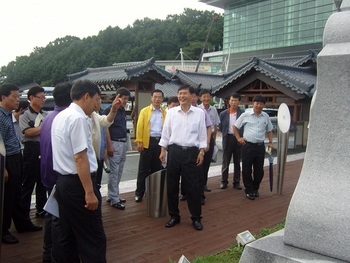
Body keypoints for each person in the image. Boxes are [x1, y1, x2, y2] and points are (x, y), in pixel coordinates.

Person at [51, 79, 107, 262]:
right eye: (96, 99)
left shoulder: (61, 115)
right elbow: (80, 157)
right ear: (86, 96)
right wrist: (89, 193)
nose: (96, 104)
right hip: (78, 185)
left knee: (67, 236)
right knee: (93, 238)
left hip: (63, 183)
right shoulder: (78, 119)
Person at [159, 84, 207, 231]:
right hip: (174, 152)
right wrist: (162, 151)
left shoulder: (199, 113)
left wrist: (202, 152)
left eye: (184, 93)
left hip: (192, 153)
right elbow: (165, 133)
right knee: (172, 186)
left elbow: (202, 135)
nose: (181, 96)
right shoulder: (171, 112)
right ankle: (174, 216)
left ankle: (196, 218)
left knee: (193, 187)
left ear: (192, 96)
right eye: (179, 93)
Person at [0, 84, 42, 245]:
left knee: (17, 193)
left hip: (17, 156)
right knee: (7, 197)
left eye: (19, 96)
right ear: (3, 97)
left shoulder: (9, 114)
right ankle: (3, 230)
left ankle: (22, 223)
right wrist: (3, 168)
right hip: (6, 159)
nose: (18, 100)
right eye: (15, 96)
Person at [40, 82, 73, 263]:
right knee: (59, 222)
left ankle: (48, 253)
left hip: (47, 174)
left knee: (51, 215)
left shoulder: (49, 117)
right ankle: (55, 257)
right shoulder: (65, 119)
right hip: (58, 178)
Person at [233, 95, 274, 200]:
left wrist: (270, 142)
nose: (258, 105)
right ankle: (249, 190)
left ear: (264, 105)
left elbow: (269, 130)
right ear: (253, 104)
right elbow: (235, 126)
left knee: (259, 171)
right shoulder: (246, 115)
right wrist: (238, 138)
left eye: (261, 104)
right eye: (257, 103)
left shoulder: (265, 116)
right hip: (247, 146)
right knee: (246, 169)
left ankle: (255, 188)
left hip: (260, 147)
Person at [19, 85, 48, 218]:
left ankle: (41, 208)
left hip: (43, 147)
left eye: (44, 97)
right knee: (29, 181)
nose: (43, 99)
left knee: (42, 180)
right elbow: (28, 132)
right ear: (31, 98)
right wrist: (44, 127)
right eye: (40, 97)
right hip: (31, 149)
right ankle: (23, 213)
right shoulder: (24, 114)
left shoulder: (45, 114)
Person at [134, 89, 166, 202]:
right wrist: (140, 141)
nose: (157, 99)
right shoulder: (145, 111)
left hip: (160, 143)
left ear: (162, 99)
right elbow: (140, 127)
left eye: (159, 97)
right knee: (143, 169)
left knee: (156, 169)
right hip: (148, 142)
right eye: (155, 97)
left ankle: (151, 193)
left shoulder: (165, 112)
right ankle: (139, 193)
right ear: (151, 98)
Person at [103, 87, 131, 210]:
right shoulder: (109, 110)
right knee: (114, 171)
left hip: (123, 142)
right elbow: (106, 128)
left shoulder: (122, 110)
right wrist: (109, 145)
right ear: (117, 97)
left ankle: (113, 194)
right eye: (123, 98)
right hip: (114, 142)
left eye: (127, 99)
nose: (125, 101)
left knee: (119, 170)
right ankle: (114, 198)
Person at [219, 93, 245, 190]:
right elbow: (221, 127)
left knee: (237, 161)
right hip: (228, 138)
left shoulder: (243, 113)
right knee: (225, 161)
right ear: (229, 101)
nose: (233, 102)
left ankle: (236, 182)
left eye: (235, 101)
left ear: (239, 102)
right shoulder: (223, 114)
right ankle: (224, 181)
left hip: (238, 138)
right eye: (232, 100)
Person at [198, 89, 220, 192]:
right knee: (199, 163)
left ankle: (204, 184)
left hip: (210, 138)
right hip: (201, 139)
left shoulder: (214, 110)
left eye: (208, 96)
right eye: (204, 97)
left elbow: (215, 126)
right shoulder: (198, 109)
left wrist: (214, 140)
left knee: (207, 162)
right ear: (200, 98)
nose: (206, 98)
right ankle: (198, 184)